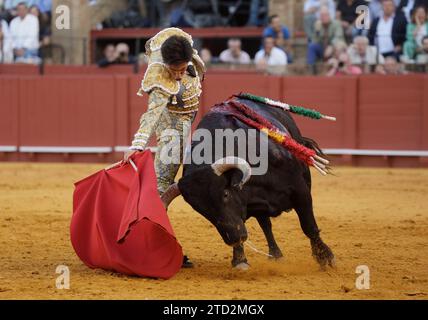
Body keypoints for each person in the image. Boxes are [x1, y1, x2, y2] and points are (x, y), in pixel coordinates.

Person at [123, 28, 206, 269]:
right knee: (160, 187)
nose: (179, 76)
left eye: (182, 69)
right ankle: (153, 247)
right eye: (175, 70)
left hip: (188, 119)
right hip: (172, 124)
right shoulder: (159, 78)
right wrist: (137, 145)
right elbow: (152, 114)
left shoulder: (187, 51)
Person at [306, 6, 344, 71]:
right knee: (312, 46)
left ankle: (340, 69)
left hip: (335, 48)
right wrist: (317, 31)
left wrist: (331, 46)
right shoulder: (318, 24)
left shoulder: (336, 23)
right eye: (321, 15)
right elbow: (314, 41)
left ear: (329, 15)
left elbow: (338, 37)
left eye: (325, 15)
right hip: (323, 48)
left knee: (339, 45)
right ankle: (310, 69)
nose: (323, 17)